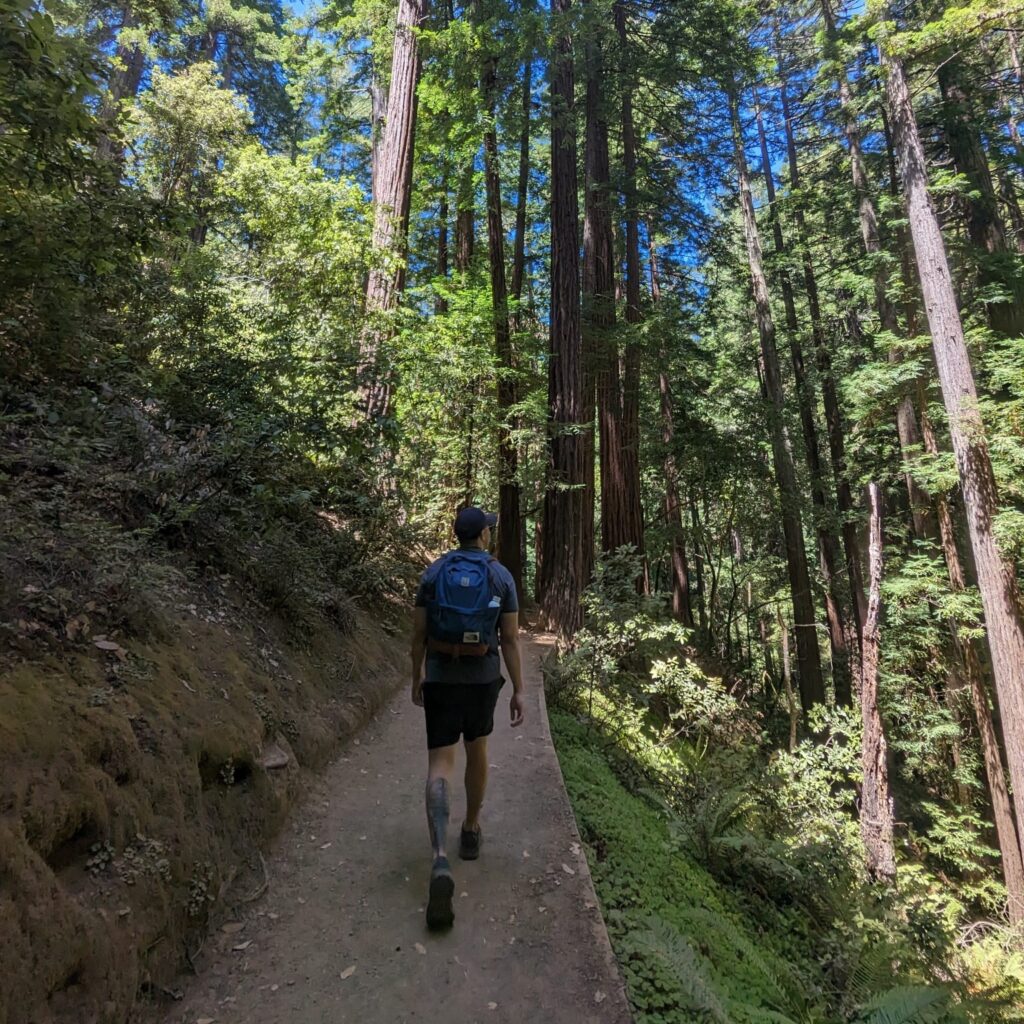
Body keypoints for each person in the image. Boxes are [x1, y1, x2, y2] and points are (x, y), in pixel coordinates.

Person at [410, 506, 526, 930]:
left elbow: (418, 635)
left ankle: (440, 856)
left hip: (441, 675)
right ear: (483, 537)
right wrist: (518, 689)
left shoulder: (433, 572)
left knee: (440, 761)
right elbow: (510, 638)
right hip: (481, 678)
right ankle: (471, 829)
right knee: (477, 749)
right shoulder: (500, 577)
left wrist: (416, 676)